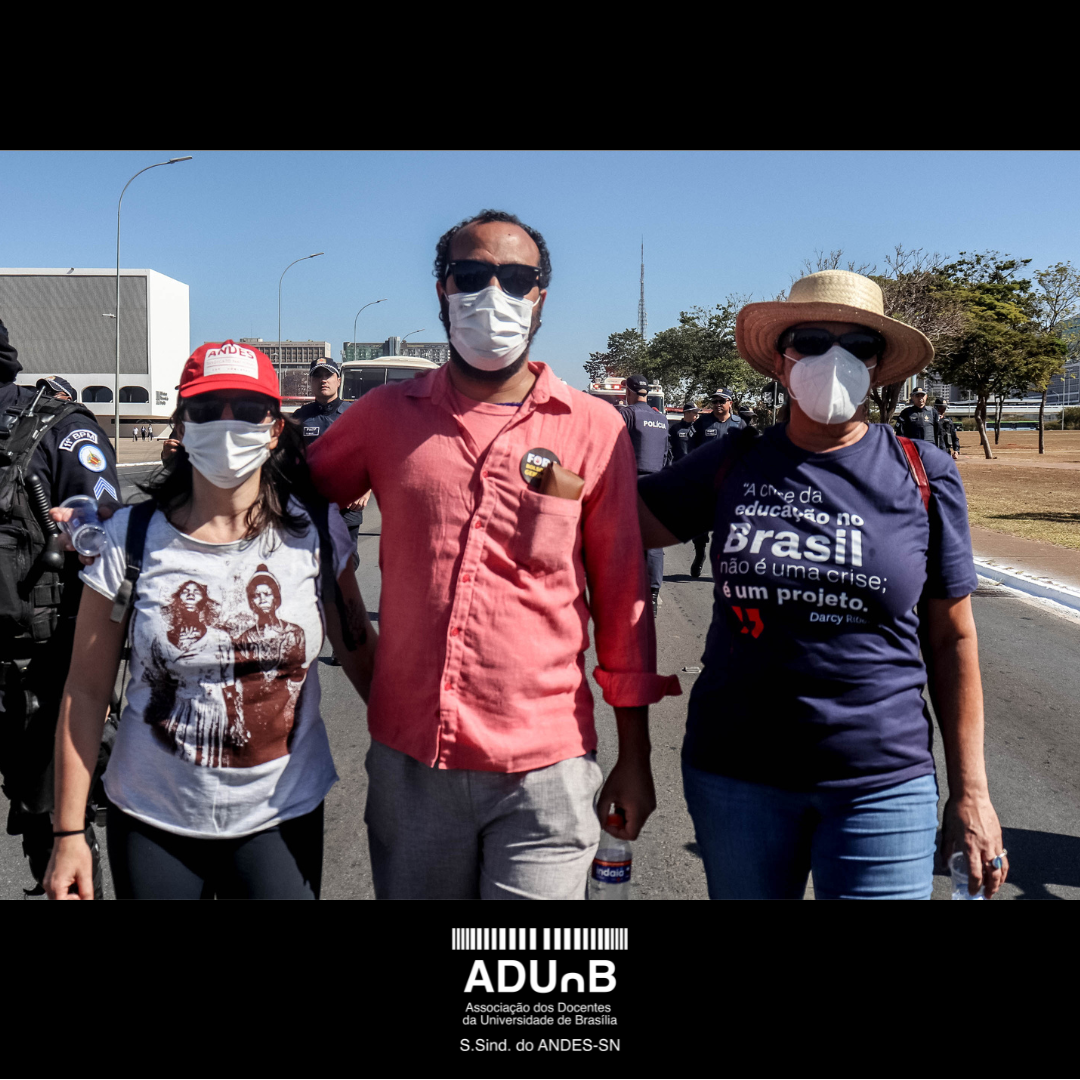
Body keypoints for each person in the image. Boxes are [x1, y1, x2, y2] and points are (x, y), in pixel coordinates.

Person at [307, 209, 679, 900]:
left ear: (541, 296)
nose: (493, 293)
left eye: (516, 278)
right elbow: (290, 506)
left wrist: (636, 756)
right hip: (412, 762)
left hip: (547, 767)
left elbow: (622, 596)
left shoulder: (593, 428)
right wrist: (351, 625)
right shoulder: (383, 417)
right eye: (472, 274)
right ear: (442, 289)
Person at [637, 269, 1007, 900]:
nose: (834, 360)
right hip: (736, 774)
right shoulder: (733, 460)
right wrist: (540, 464)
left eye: (858, 345)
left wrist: (972, 791)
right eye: (810, 341)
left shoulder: (923, 473)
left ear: (879, 367)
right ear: (781, 363)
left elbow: (953, 640)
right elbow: (611, 520)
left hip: (882, 782)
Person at [44, 340, 377, 900]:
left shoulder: (316, 533)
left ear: (275, 428)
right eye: (205, 409)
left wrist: (421, 763)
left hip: (281, 816)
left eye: (247, 409)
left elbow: (362, 655)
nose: (226, 425)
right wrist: (69, 832)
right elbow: (85, 689)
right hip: (152, 818)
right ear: (181, 424)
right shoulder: (126, 537)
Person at [0, 326, 120, 897]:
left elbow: (109, 550)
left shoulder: (60, 430)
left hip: (37, 670)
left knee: (53, 831)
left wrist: (95, 677)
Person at [618, 373, 670, 617]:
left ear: (628, 392)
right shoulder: (662, 419)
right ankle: (652, 593)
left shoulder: (627, 414)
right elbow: (667, 454)